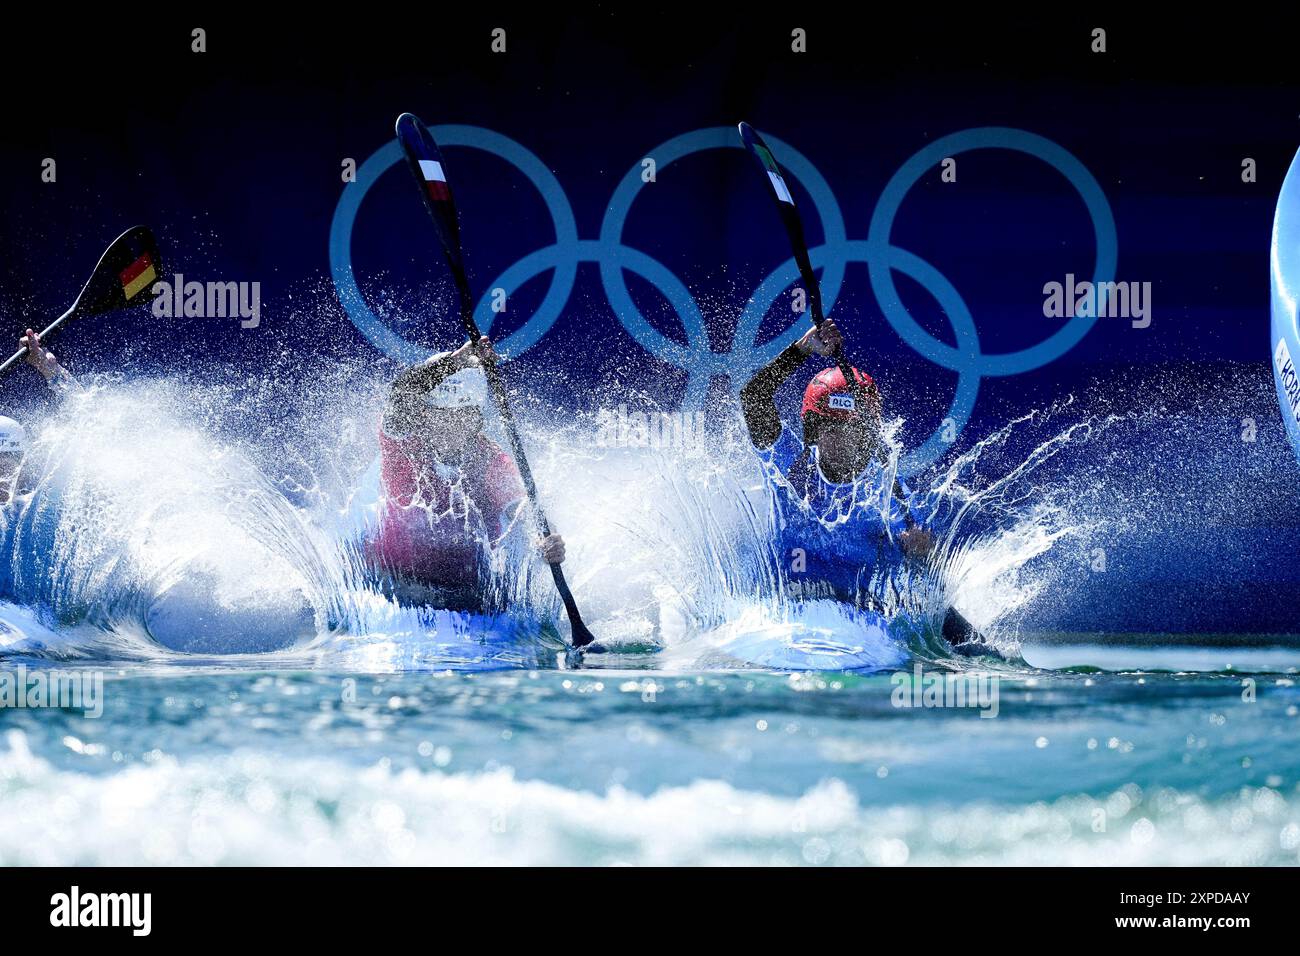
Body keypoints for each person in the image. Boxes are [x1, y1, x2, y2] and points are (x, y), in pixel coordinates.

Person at [739, 317, 989, 652]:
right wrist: (802, 350)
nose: (844, 440)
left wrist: (924, 552)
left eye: (853, 430)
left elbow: (932, 564)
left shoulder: (888, 490)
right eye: (832, 429)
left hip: (861, 621)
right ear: (812, 429)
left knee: (974, 645)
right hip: (784, 611)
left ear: (869, 434)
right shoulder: (790, 466)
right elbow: (754, 397)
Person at [366, 335, 565, 608]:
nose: (450, 426)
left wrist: (547, 540)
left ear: (477, 418)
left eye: (462, 416)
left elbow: (523, 510)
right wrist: (455, 362)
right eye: (441, 414)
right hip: (393, 584)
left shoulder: (491, 460)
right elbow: (401, 393)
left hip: (469, 592)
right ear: (422, 414)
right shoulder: (400, 446)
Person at [0, 329, 76, 506]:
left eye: (5, 466)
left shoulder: (38, 506)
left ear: (23, 465)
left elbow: (86, 415)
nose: (2, 478)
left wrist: (48, 368)